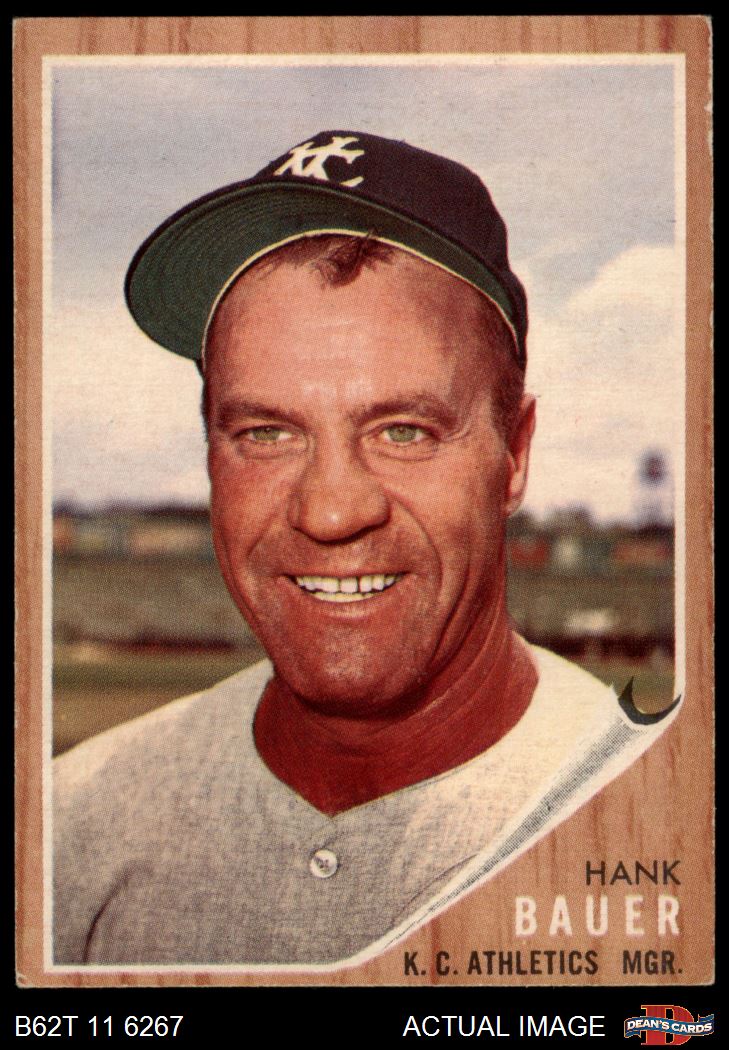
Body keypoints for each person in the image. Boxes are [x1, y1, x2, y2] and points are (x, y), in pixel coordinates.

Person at [54, 131, 678, 966]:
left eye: (403, 430)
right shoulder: (68, 822)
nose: (330, 510)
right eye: (266, 432)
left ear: (514, 455)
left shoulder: (664, 825)